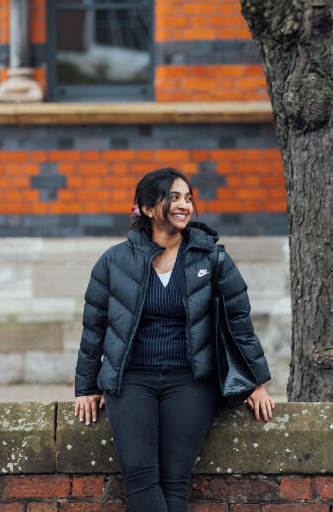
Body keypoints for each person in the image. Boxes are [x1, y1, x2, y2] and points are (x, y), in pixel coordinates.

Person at [73, 167, 274, 512]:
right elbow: (95, 327)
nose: (185, 205)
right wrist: (87, 387)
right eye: (174, 197)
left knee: (174, 479)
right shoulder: (114, 261)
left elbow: (238, 320)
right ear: (148, 208)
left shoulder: (212, 258)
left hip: (191, 379)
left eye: (188, 198)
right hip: (132, 379)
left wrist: (256, 381)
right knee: (139, 476)